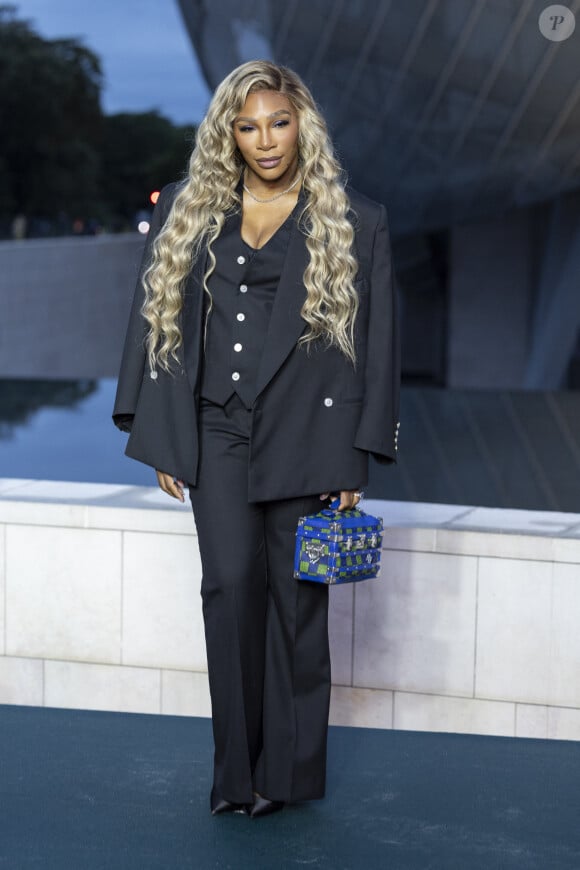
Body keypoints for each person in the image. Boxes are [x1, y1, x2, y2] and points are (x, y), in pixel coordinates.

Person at [113, 60, 400, 818]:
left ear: (301, 122)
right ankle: (235, 776)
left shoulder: (355, 219)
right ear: (227, 134)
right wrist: (158, 431)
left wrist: (357, 456)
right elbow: (151, 323)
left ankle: (287, 776)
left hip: (310, 435)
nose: (265, 140)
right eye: (247, 126)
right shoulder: (187, 208)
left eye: (278, 122)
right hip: (216, 430)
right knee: (229, 589)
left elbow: (377, 344)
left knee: (296, 605)